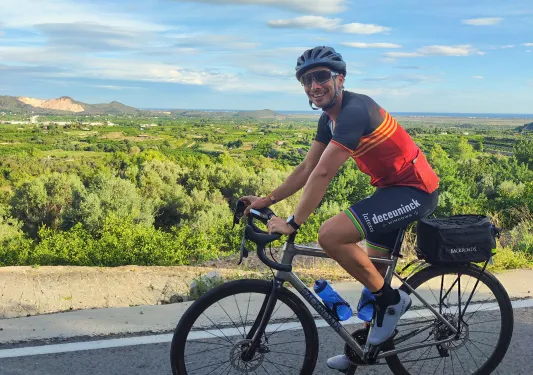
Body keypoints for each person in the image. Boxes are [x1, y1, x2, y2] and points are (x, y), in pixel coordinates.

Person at [240, 46, 440, 372]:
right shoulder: (328, 120)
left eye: (320, 77)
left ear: (339, 78)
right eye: (306, 80)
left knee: (330, 236)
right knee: (371, 273)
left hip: (415, 191)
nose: (313, 86)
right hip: (391, 190)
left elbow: (323, 173)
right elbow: (308, 167)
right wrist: (267, 201)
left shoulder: (355, 110)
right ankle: (361, 350)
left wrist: (292, 221)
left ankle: (394, 302)